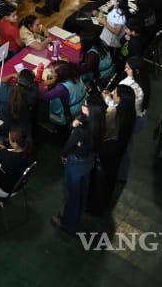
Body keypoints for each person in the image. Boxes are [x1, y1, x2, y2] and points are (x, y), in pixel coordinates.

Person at [50, 94, 102, 234]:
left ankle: (68, 223)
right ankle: (77, 215)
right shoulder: (99, 123)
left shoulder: (81, 130)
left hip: (76, 163)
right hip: (89, 161)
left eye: (85, 106)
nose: (83, 107)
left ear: (90, 110)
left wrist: (63, 153)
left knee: (73, 195)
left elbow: (69, 145)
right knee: (82, 191)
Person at [88, 84, 137, 216]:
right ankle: (102, 205)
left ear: (120, 99)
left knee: (100, 182)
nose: (112, 94)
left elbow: (103, 132)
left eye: (114, 93)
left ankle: (94, 208)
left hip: (106, 153)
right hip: (117, 154)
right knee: (108, 180)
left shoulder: (114, 114)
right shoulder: (129, 113)